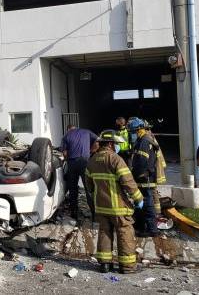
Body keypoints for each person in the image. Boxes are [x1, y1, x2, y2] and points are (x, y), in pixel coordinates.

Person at [85, 129, 143, 274]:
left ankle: (105, 264)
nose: (117, 146)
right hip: (118, 207)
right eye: (116, 143)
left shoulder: (92, 160)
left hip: (101, 206)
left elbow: (89, 185)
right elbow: (128, 182)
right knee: (125, 233)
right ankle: (128, 266)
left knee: (105, 232)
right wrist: (138, 199)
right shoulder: (116, 159)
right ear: (110, 144)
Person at [128, 117, 159, 237]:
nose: (132, 135)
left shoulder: (144, 141)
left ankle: (152, 229)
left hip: (144, 177)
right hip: (144, 176)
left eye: (133, 132)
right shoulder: (142, 140)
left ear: (139, 129)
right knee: (141, 201)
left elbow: (141, 161)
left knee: (146, 202)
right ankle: (140, 225)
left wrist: (136, 174)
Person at [61, 124, 98, 219]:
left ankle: (74, 213)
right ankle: (94, 214)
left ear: (68, 129)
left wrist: (67, 160)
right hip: (85, 161)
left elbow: (65, 153)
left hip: (72, 163)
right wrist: (91, 151)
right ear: (76, 127)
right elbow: (98, 141)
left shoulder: (66, 136)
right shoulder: (86, 132)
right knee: (88, 188)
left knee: (72, 188)